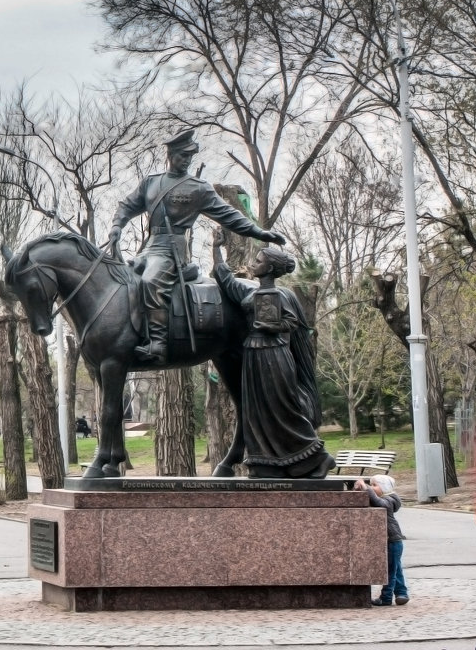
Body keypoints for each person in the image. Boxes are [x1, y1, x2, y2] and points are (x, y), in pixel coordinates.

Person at [108, 130, 286, 364]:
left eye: (190, 156)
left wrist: (258, 231)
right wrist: (117, 225)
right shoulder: (150, 183)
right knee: (124, 281)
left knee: (151, 281)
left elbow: (229, 215)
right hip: (150, 248)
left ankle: (158, 344)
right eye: (183, 155)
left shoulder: (198, 188)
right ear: (171, 155)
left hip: (173, 251)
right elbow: (127, 205)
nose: (187, 160)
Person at [211, 236, 333, 479]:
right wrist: (216, 249)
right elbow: (224, 279)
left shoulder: (282, 295)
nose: (253, 264)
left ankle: (317, 457)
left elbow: (292, 323)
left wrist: (271, 325)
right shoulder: (249, 291)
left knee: (281, 408)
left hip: (275, 356)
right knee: (256, 410)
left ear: (270, 268)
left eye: (258, 261)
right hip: (253, 357)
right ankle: (265, 462)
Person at [354, 474, 409, 606]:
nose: (372, 488)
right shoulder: (388, 498)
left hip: (392, 540)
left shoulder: (388, 500)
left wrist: (367, 488)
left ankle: (386, 597)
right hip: (393, 541)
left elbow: (380, 504)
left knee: (390, 571)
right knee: (396, 568)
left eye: (374, 485)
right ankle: (402, 593)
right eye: (371, 485)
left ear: (384, 487)